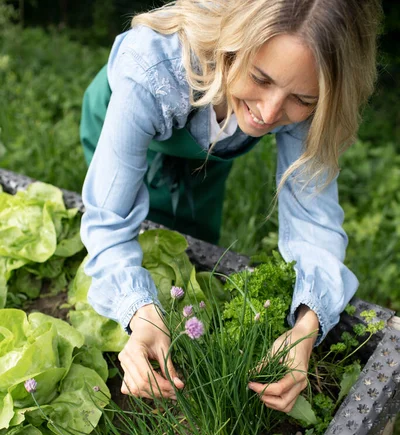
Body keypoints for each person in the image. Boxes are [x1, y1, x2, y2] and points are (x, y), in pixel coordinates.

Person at [79, 0, 381, 412]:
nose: (270, 113)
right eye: (261, 78)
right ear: (230, 47)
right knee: (135, 228)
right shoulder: (150, 68)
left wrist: (307, 327)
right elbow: (109, 220)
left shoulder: (311, 88)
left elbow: (315, 221)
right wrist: (139, 312)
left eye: (301, 99)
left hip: (210, 149)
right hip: (129, 123)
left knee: (191, 236)